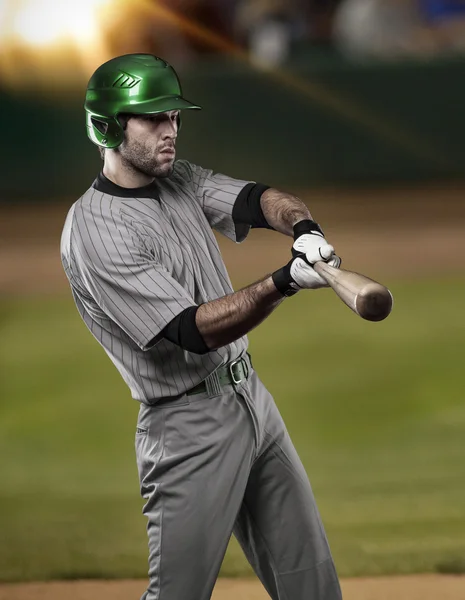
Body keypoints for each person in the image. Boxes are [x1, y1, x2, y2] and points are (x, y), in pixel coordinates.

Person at [60, 53, 343, 600]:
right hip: (187, 430)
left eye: (174, 117)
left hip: (251, 401)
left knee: (311, 585)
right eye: (154, 119)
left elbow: (257, 199)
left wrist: (304, 228)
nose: (171, 131)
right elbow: (193, 331)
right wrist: (284, 281)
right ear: (110, 125)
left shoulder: (180, 179)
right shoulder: (96, 232)